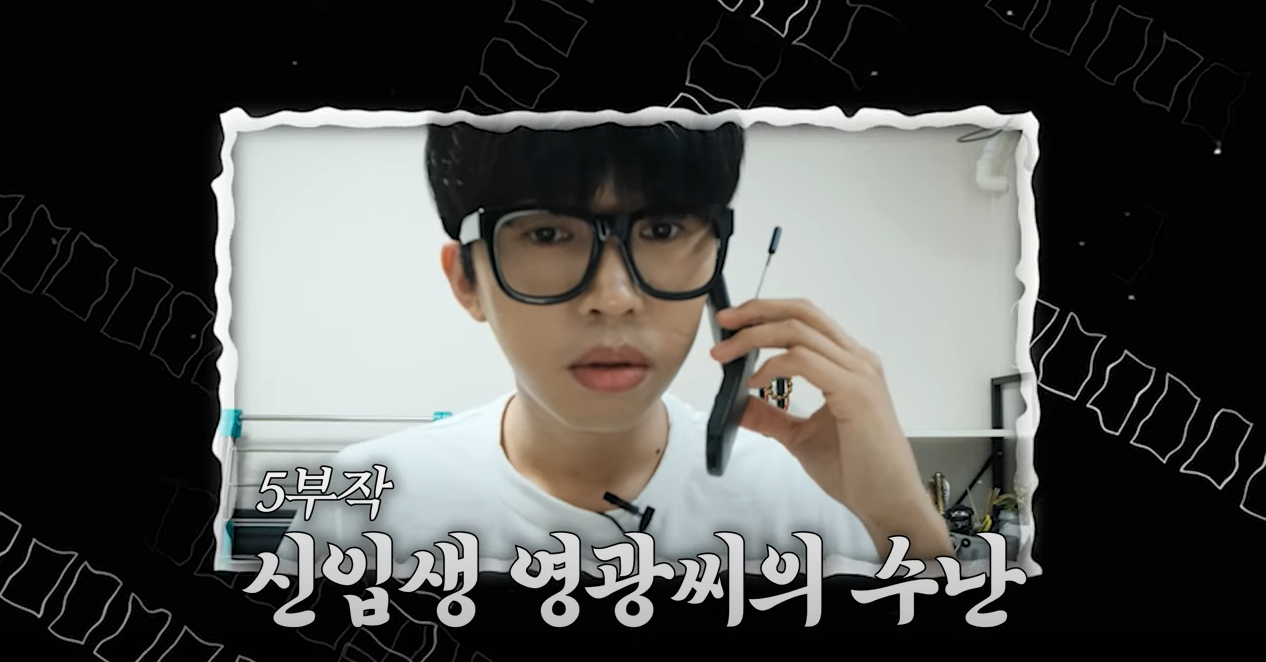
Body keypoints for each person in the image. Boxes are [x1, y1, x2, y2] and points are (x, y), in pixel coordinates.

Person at [278, 120, 953, 580]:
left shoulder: (799, 499)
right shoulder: (363, 503)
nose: (614, 297)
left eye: (661, 229)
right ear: (467, 281)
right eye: (548, 234)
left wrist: (904, 525)